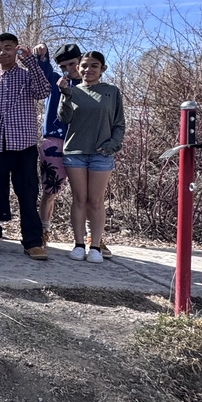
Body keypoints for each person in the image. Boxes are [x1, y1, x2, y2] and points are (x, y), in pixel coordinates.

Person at [0, 33, 51, 259]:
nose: (2, 52)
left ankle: (33, 242)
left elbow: (44, 91)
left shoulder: (27, 76)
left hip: (24, 146)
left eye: (7, 47)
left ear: (16, 49)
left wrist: (32, 63)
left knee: (27, 194)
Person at [32, 43, 104, 252]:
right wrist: (42, 55)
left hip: (83, 143)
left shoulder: (91, 85)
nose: (69, 69)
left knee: (88, 196)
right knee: (50, 190)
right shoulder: (55, 80)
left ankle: (91, 238)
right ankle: (43, 232)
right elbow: (43, 71)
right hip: (54, 140)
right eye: (63, 66)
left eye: (72, 63)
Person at [57, 51, 126, 263]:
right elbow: (64, 118)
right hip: (75, 153)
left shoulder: (112, 92)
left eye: (94, 66)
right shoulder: (72, 90)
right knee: (79, 199)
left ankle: (95, 245)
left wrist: (112, 146)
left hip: (101, 155)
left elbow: (119, 124)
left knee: (95, 201)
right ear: (78, 68)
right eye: (84, 66)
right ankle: (78, 244)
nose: (88, 70)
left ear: (102, 69)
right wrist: (65, 94)